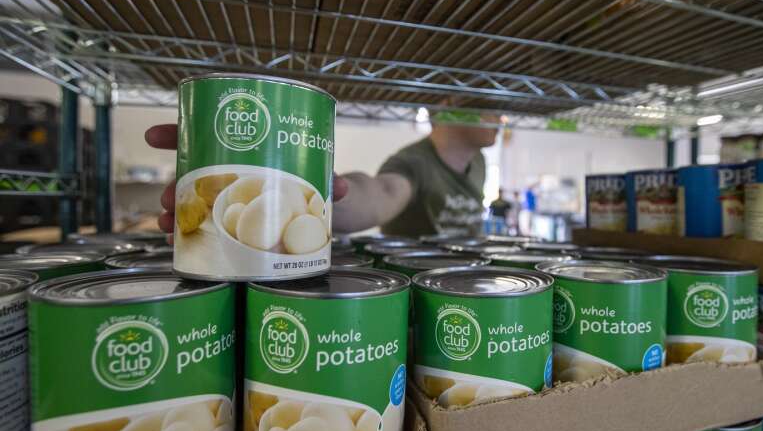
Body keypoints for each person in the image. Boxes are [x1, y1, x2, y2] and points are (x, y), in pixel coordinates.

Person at [144, 114, 499, 238]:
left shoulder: (480, 160)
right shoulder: (413, 164)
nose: (500, 114)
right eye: (487, 101)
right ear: (447, 104)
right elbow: (379, 194)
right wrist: (308, 193)